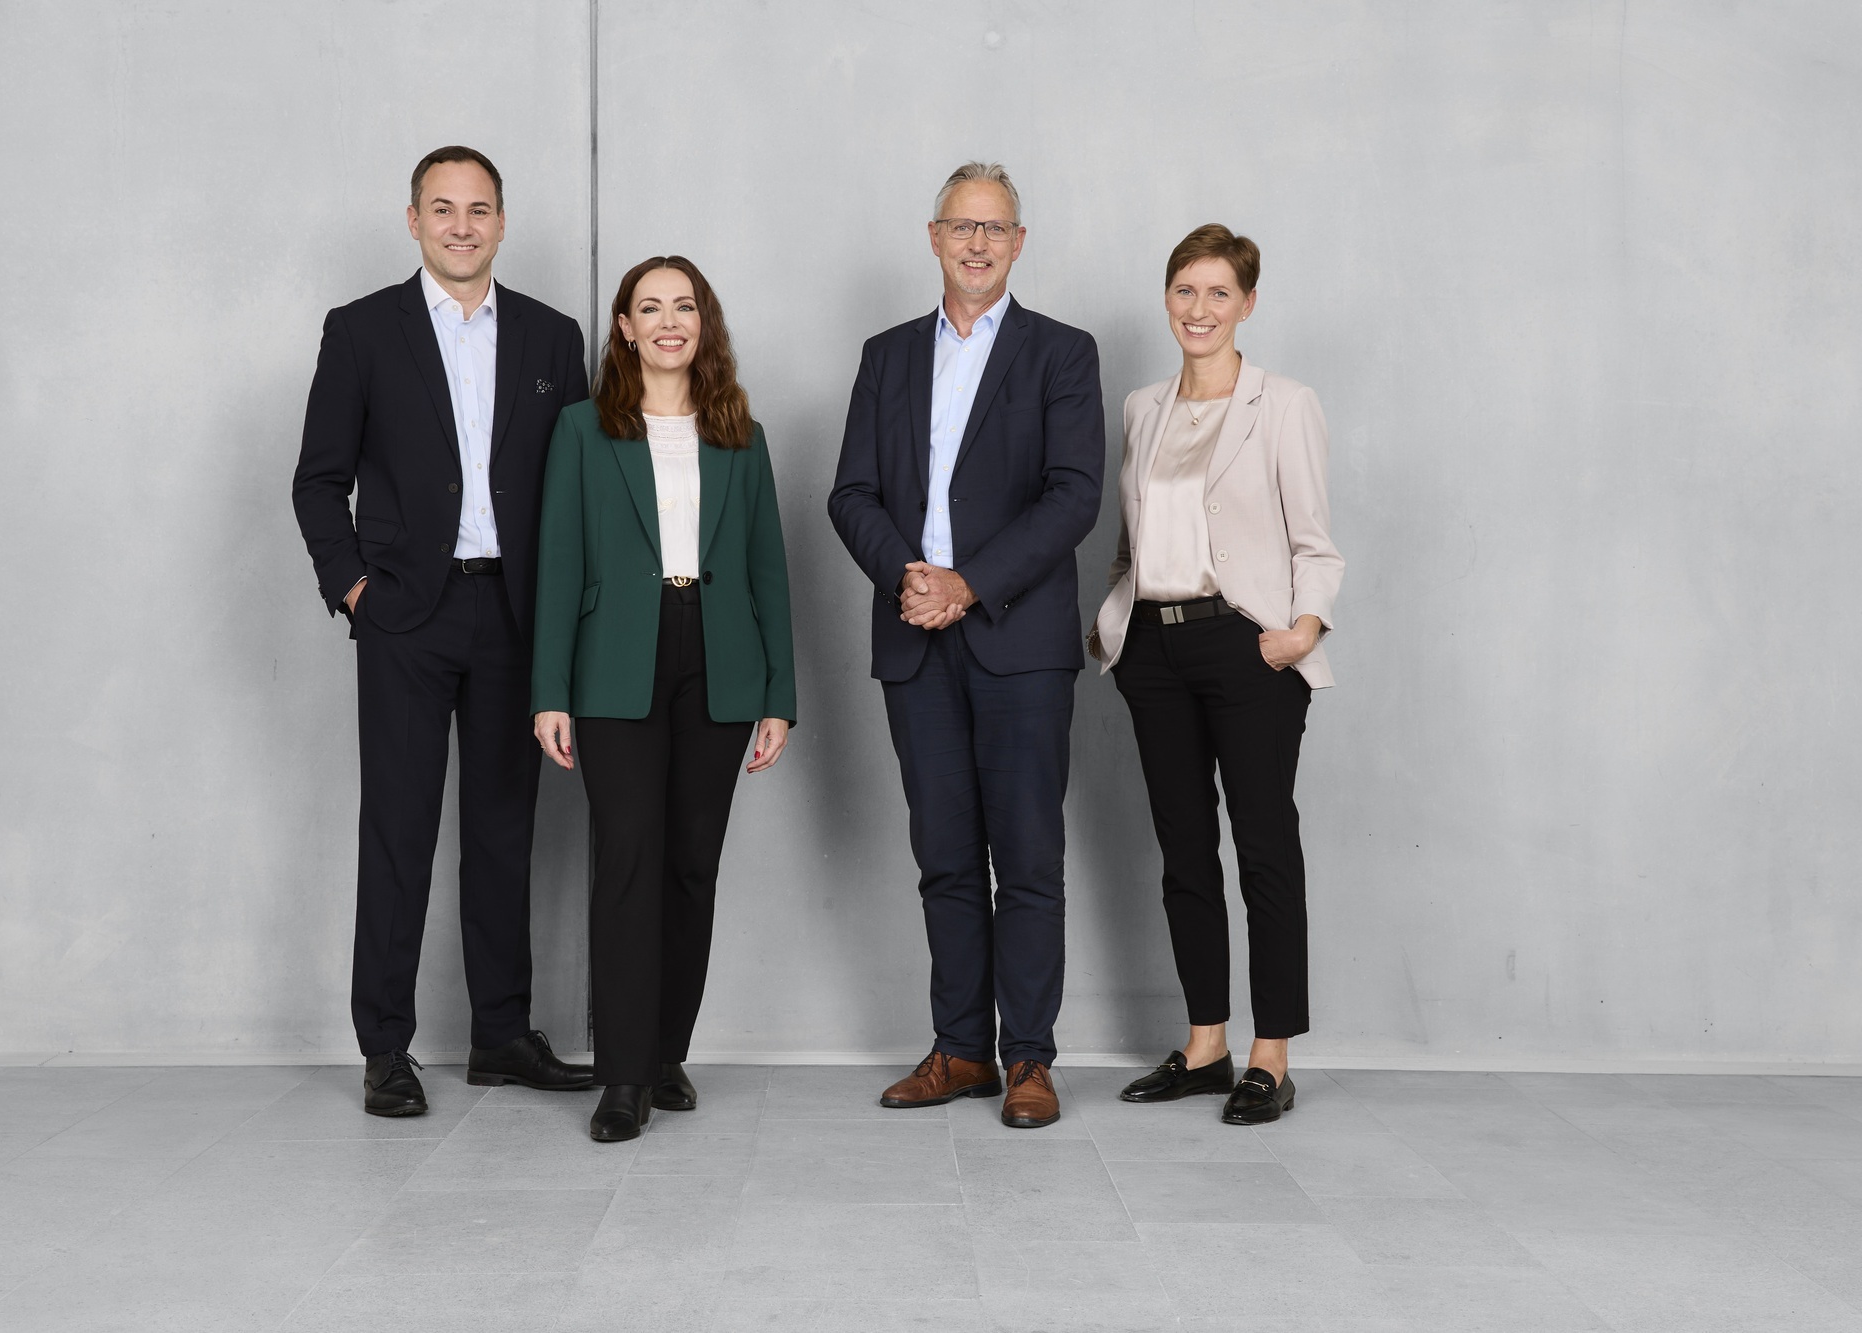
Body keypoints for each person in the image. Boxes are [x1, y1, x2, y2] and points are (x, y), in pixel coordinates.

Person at [291, 145, 595, 1116]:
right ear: (414, 220)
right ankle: (385, 1045)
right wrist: (354, 592)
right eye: (442, 208)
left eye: (479, 208)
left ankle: (501, 1035)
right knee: (398, 830)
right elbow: (316, 477)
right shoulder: (364, 330)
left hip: (514, 616)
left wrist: (571, 621)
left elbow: (581, 485)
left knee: (504, 835)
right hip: (404, 618)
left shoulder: (552, 338)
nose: (461, 225)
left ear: (502, 221)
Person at [829, 162, 1103, 1129]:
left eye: (997, 229)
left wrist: (968, 583)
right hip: (915, 639)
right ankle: (959, 1050)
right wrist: (909, 573)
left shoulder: (1062, 354)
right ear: (935, 237)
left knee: (1026, 857)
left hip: (1017, 641)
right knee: (943, 855)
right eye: (962, 227)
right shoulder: (887, 355)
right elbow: (849, 492)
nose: (979, 244)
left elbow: (1073, 494)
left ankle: (1028, 1058)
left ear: (1019, 244)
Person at [532, 256, 796, 1143]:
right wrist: (550, 690)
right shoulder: (581, 428)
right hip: (614, 662)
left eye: (685, 306)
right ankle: (623, 1073)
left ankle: (666, 1049)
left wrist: (779, 696)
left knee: (691, 863)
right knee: (629, 861)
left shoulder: (741, 435)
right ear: (625, 328)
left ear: (703, 324)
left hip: (719, 660)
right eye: (651, 307)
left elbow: (768, 571)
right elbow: (560, 562)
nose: (669, 320)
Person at [1090, 225, 1343, 1124]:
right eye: (1184, 292)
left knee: (1264, 845)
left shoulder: (1284, 404)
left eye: (1218, 294)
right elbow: (1131, 541)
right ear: (1167, 299)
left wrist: (1296, 632)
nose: (1199, 310)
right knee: (1184, 850)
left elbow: (1314, 540)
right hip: (1154, 648)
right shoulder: (1141, 407)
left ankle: (1270, 1054)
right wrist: (1115, 622)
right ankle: (1205, 1044)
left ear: (1247, 303)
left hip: (1248, 647)